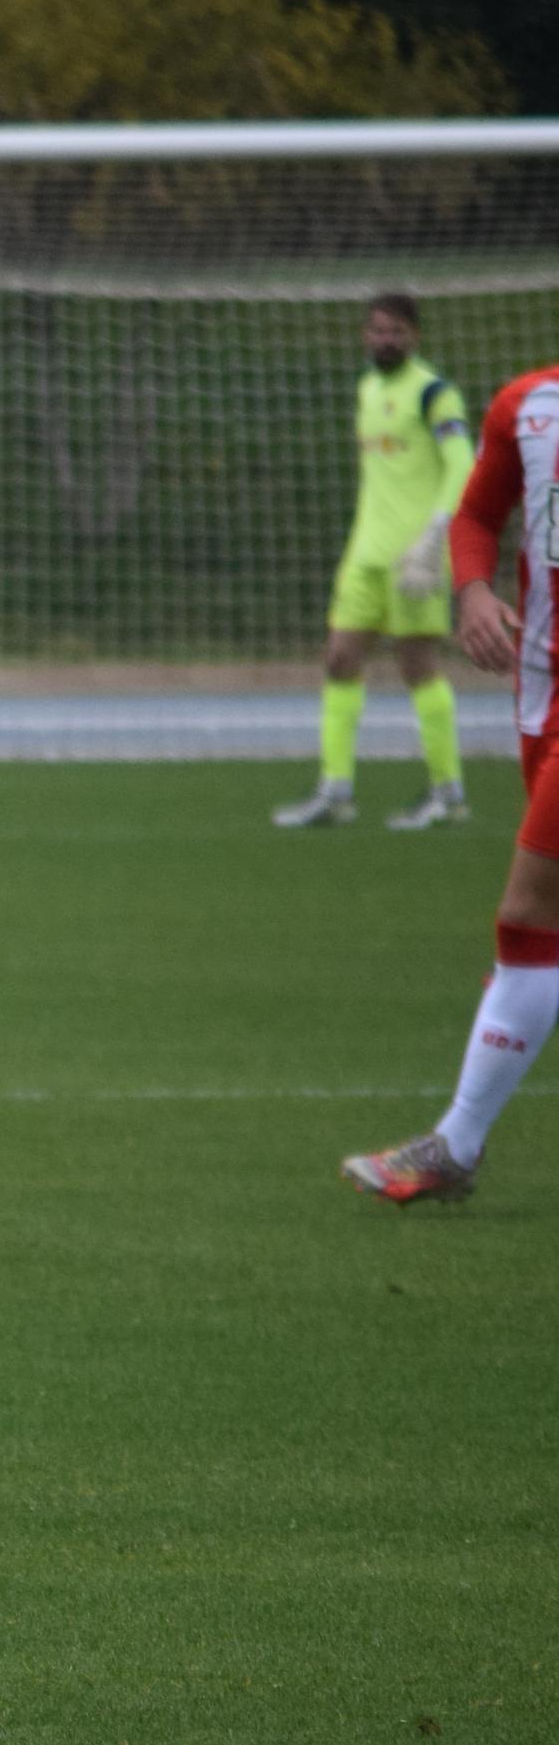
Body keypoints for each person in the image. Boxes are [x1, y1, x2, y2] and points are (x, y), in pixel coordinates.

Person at [342, 358, 556, 1205]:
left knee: (530, 916)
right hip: (541, 695)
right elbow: (477, 514)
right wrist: (470, 590)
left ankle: (455, 1146)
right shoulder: (527, 405)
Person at [278, 294, 476, 832]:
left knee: (418, 666)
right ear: (365, 335)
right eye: (378, 331)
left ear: (415, 336)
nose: (386, 340)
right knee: (339, 659)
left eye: (396, 332)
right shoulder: (367, 388)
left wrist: (435, 536)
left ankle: (449, 793)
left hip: (415, 557)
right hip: (365, 553)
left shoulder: (434, 393)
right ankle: (335, 790)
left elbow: (463, 463)